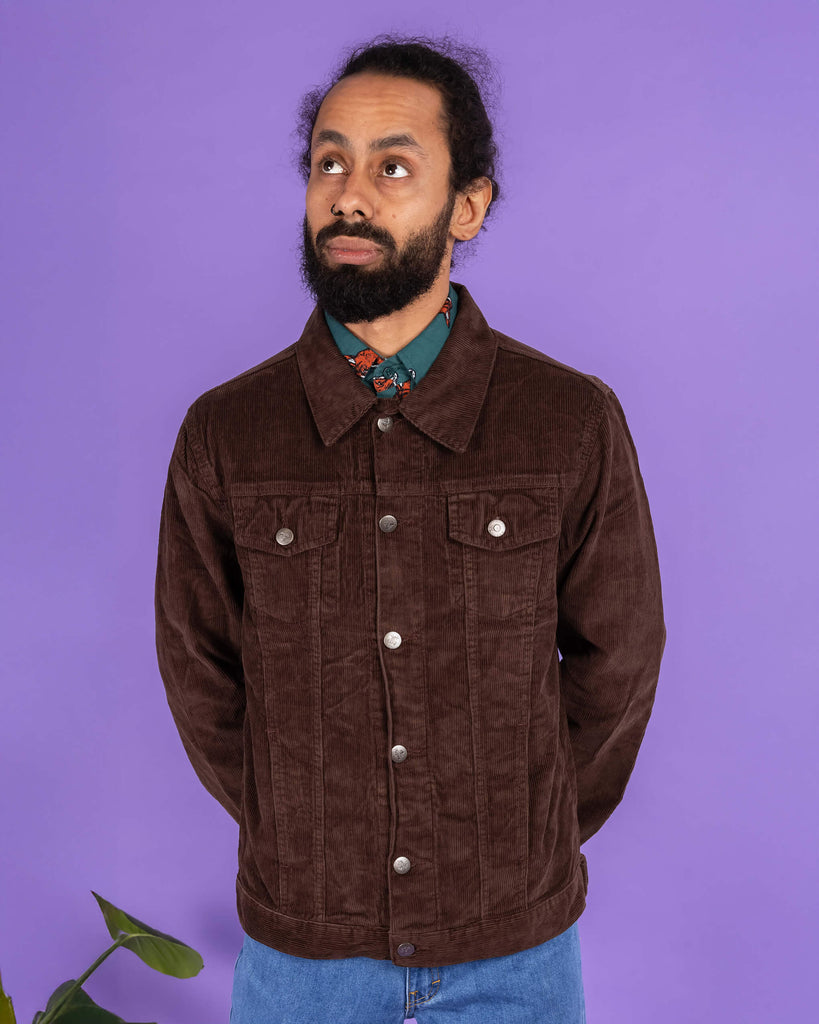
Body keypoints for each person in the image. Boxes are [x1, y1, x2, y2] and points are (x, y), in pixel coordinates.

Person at [154, 34, 666, 1024]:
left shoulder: (569, 420)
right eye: (328, 163)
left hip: (516, 953)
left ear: (467, 205)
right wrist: (305, 834)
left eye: (392, 167)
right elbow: (200, 669)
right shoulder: (225, 433)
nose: (348, 195)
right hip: (302, 958)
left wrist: (523, 836)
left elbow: (620, 659)